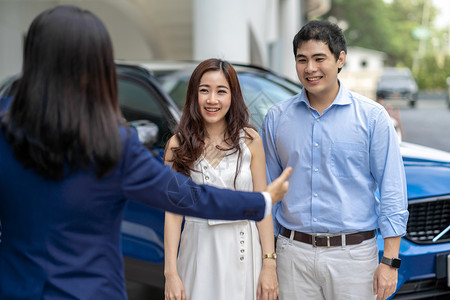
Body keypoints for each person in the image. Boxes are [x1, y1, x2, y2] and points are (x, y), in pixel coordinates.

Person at [0, 6, 292, 299]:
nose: (212, 99)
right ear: (98, 67)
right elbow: (187, 197)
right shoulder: (114, 144)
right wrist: (261, 202)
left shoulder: (5, 133)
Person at [260, 20, 409, 300]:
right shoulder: (276, 119)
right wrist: (269, 259)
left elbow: (392, 190)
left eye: (319, 58)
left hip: (353, 258)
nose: (310, 69)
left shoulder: (372, 118)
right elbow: (268, 195)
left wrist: (390, 262)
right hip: (293, 254)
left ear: (340, 59)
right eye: (302, 60)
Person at [164, 58, 279, 300]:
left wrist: (269, 264)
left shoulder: (250, 140)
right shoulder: (177, 146)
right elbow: (173, 215)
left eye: (221, 91)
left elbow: (263, 206)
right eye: (204, 90)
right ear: (193, 95)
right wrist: (171, 274)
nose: (212, 99)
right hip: (197, 248)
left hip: (243, 249)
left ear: (232, 96)